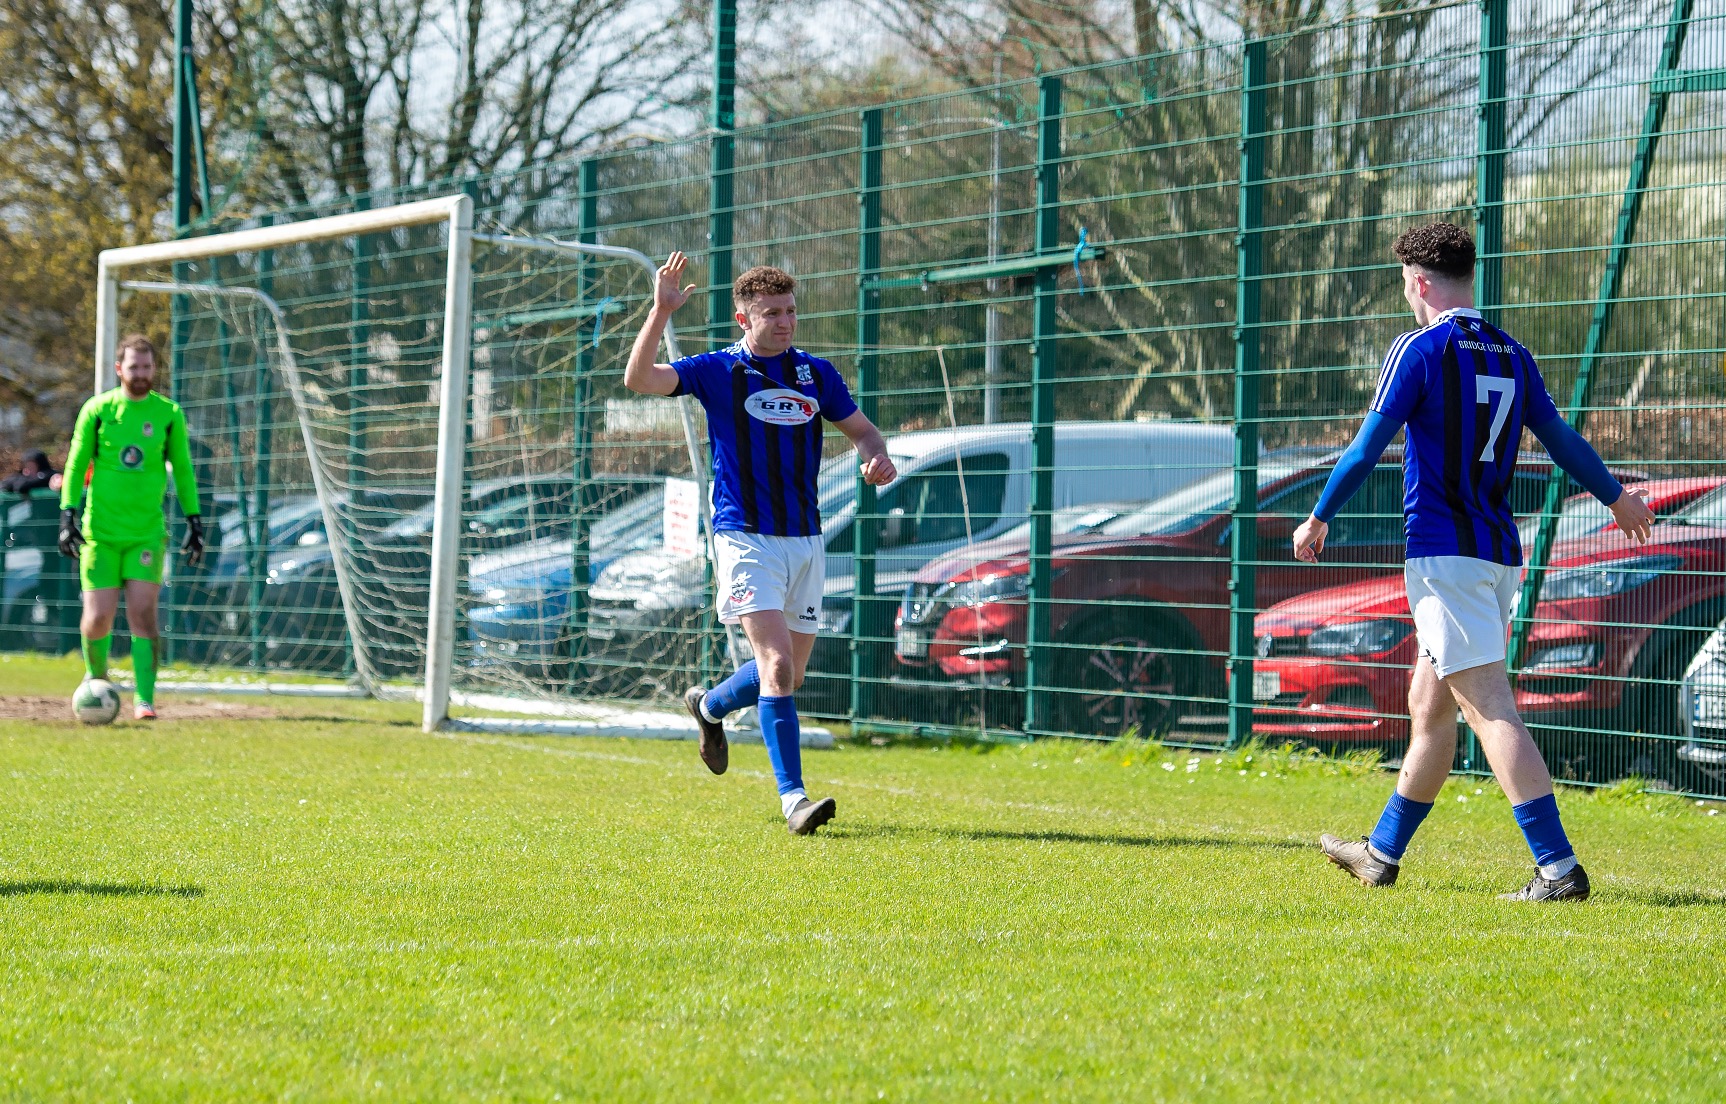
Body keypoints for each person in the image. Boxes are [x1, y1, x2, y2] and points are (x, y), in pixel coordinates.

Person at [1294, 223, 1655, 901]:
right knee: (1430, 708)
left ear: (1420, 282)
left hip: (1444, 556)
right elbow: (1561, 440)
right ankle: (1380, 854)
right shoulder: (1512, 353)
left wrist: (1318, 517)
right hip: (1496, 556)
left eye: (1405, 283)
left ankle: (1558, 869)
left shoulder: (1420, 348)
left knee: (1490, 707)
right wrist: (1615, 499)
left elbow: (1367, 446)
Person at [625, 256, 896, 835]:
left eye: (791, 311)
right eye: (771, 313)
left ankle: (709, 706)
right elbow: (640, 380)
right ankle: (794, 800)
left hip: (805, 537)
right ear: (743, 318)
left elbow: (863, 431)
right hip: (744, 533)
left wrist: (876, 455)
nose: (784, 322)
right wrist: (661, 311)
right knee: (774, 665)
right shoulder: (717, 370)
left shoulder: (815, 374)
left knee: (789, 676)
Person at [58, 334, 205, 720]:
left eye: (147, 367)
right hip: (101, 534)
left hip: (145, 533)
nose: (141, 374)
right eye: (134, 367)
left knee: (143, 613)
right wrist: (67, 514)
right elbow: (75, 465)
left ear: (154, 369)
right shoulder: (99, 410)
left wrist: (194, 519)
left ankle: (144, 700)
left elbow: (184, 471)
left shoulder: (168, 413)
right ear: (119, 369)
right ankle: (96, 682)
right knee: (98, 617)